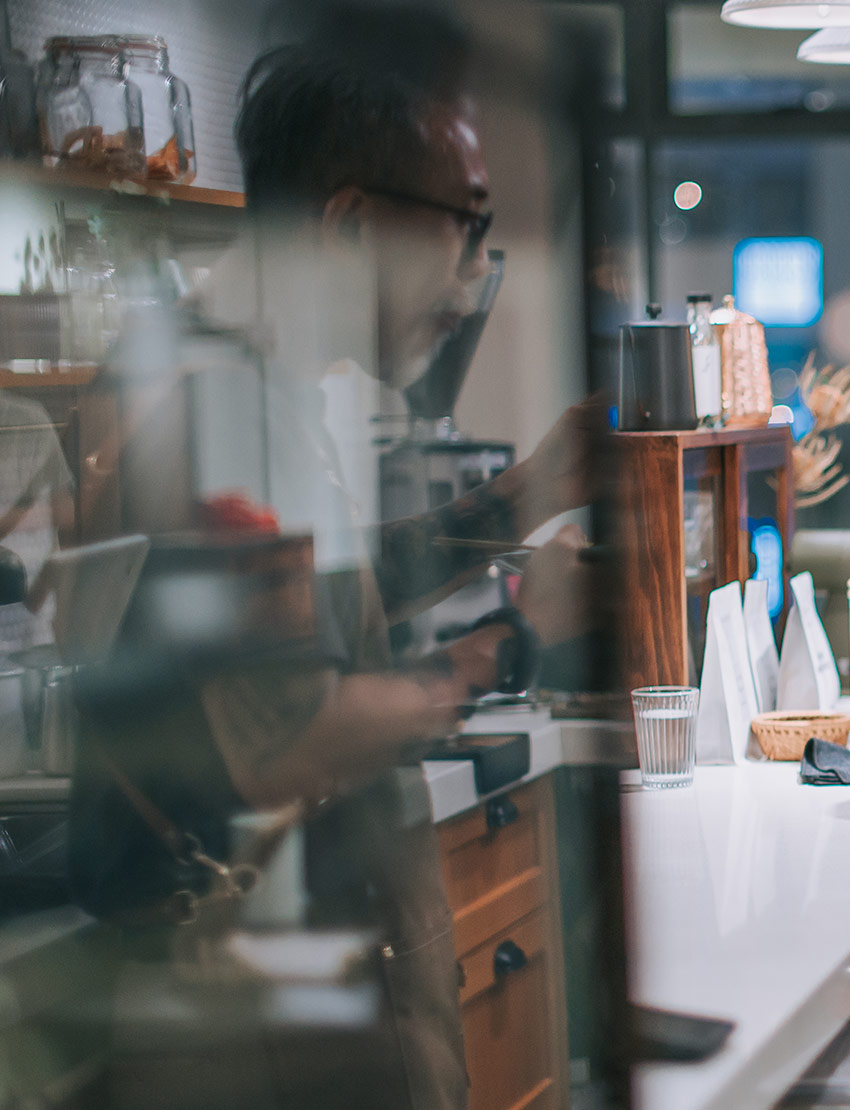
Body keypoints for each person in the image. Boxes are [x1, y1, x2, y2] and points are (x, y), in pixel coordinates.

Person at [67, 7, 593, 1107]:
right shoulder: (218, 405)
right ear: (353, 224)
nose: (476, 277)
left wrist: (527, 488)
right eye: (465, 228)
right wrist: (517, 641)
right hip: (265, 1039)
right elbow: (286, 739)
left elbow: (321, 608)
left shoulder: (263, 394)